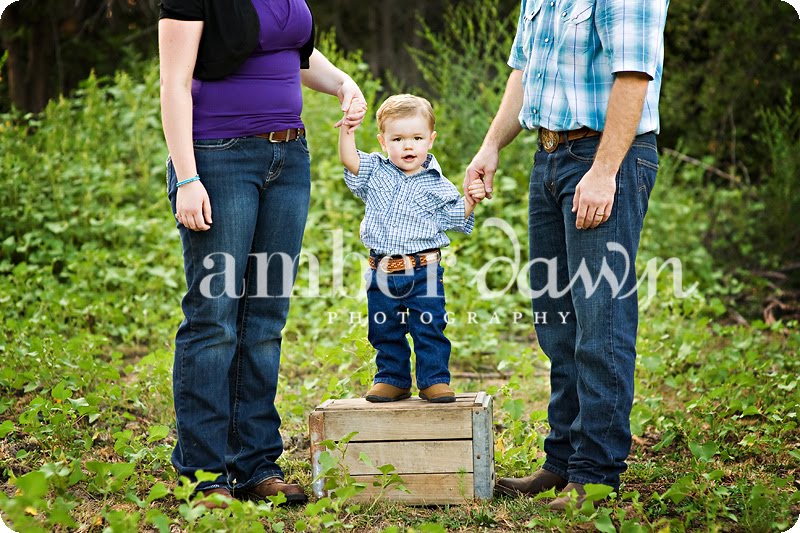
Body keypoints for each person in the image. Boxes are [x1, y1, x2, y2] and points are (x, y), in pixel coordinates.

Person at [158, 0, 366, 508]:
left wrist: (342, 83)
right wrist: (187, 177)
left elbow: (295, 55)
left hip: (288, 157)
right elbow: (174, 83)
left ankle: (254, 465)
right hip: (219, 157)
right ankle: (203, 475)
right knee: (214, 318)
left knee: (265, 319)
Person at [465, 0, 669, 510]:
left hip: (605, 157)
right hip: (550, 157)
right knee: (557, 321)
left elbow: (634, 75)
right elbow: (523, 71)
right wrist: (491, 146)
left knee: (601, 320)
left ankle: (595, 472)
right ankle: (562, 460)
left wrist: (604, 172)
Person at [338, 94, 486, 404]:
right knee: (384, 326)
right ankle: (392, 378)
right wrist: (348, 131)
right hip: (381, 270)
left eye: (417, 138)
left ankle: (434, 379)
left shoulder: (437, 184)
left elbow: (455, 217)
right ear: (383, 142)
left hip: (424, 271)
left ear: (431, 140)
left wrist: (471, 200)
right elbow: (350, 161)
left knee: (429, 325)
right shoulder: (375, 170)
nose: (408, 146)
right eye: (398, 139)